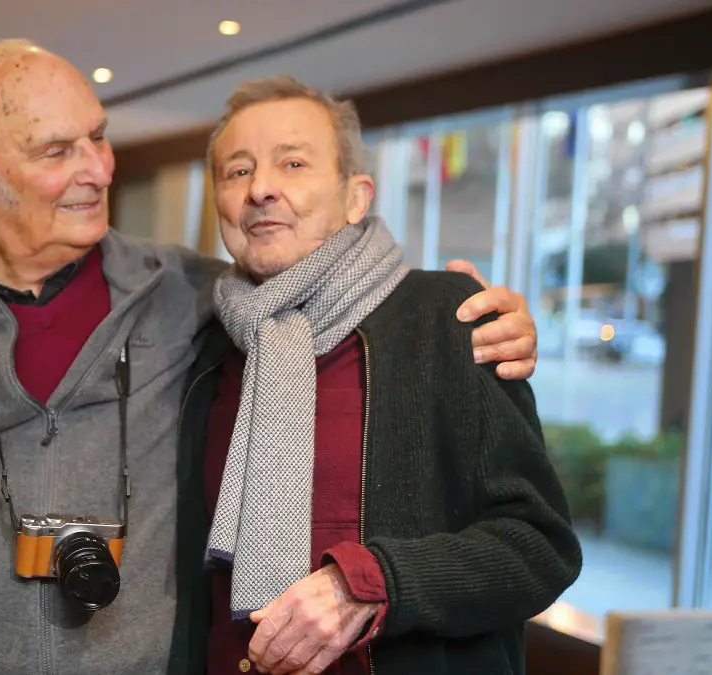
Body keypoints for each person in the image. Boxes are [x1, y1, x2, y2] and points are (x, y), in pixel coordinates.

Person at [0, 40, 541, 675]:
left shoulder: (192, 296)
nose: (98, 170)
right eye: (57, 151)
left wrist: (478, 317)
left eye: (99, 137)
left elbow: (320, 282)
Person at [172, 76, 582, 675]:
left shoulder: (449, 318)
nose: (260, 189)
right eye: (238, 171)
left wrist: (369, 584)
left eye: (293, 163)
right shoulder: (206, 345)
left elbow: (541, 547)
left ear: (356, 197)